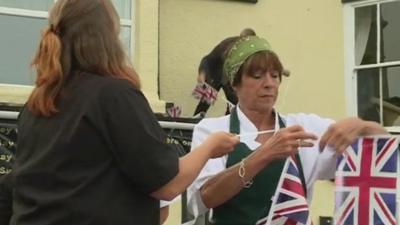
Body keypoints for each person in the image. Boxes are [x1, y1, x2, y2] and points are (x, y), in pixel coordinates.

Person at [0, 1, 240, 225]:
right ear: (109, 40)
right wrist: (209, 147)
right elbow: (167, 184)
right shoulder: (113, 95)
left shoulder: (39, 103)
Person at [187, 35, 387, 225]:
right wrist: (265, 154)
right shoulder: (212, 130)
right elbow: (207, 197)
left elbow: (380, 159)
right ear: (234, 84)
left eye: (275, 76)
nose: (269, 84)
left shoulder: (304, 128)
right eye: (257, 76)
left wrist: (365, 126)